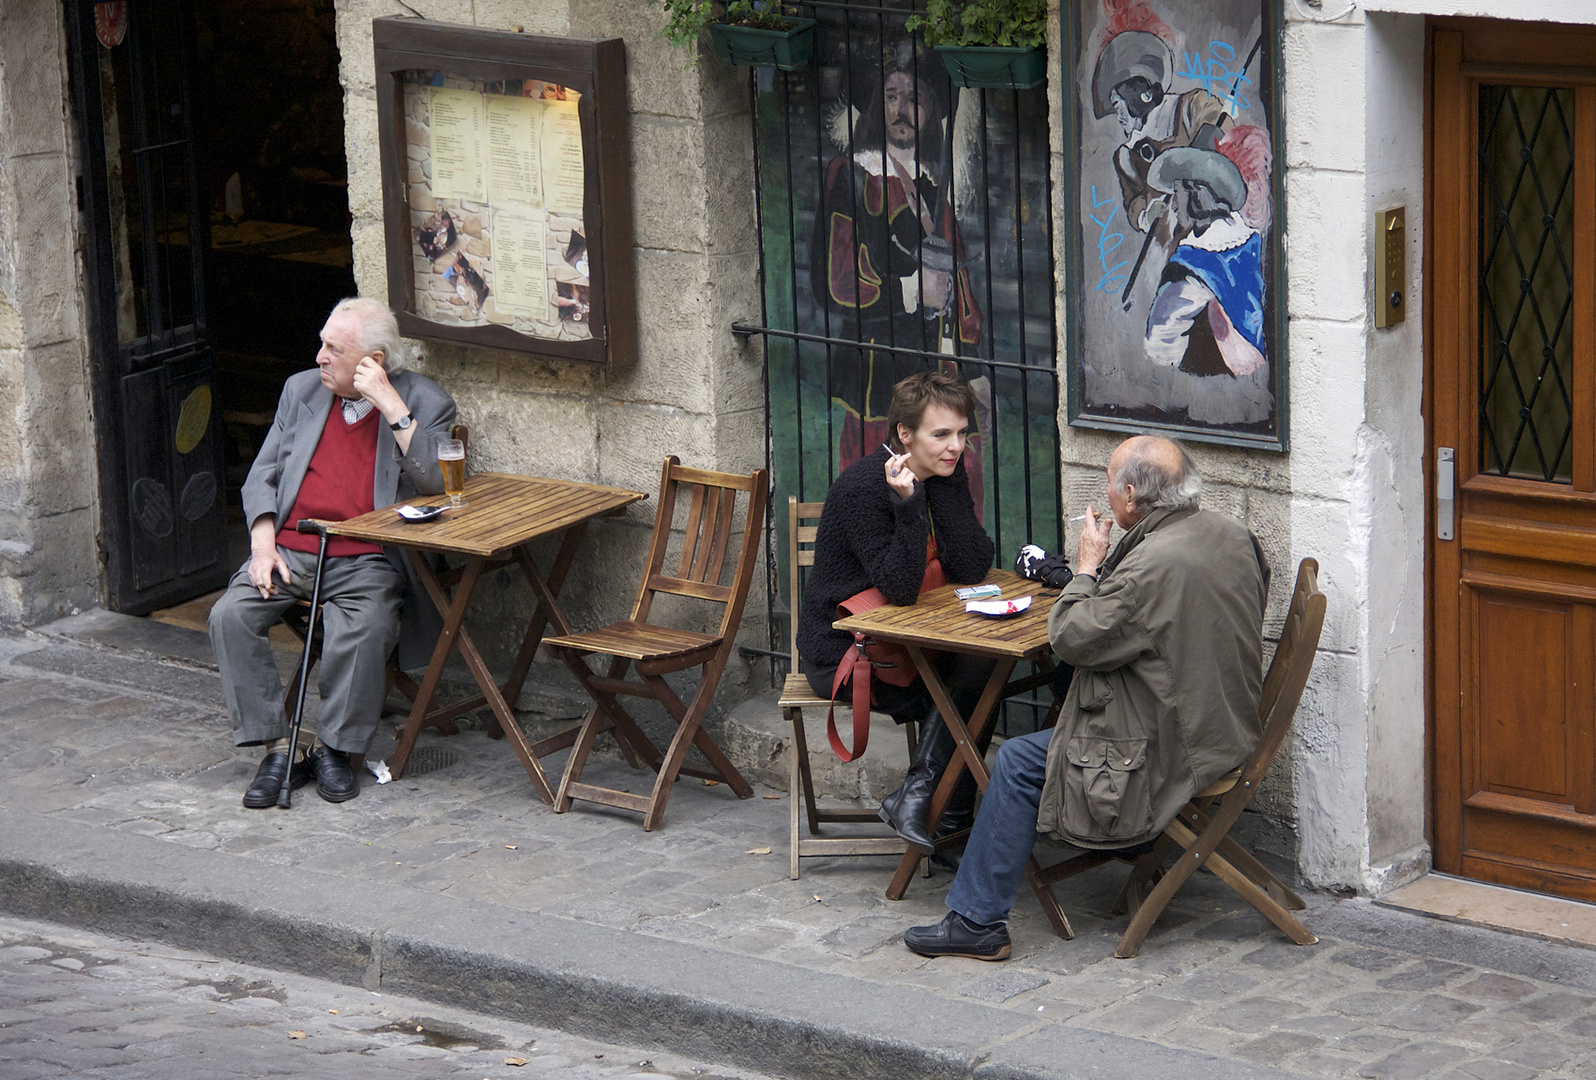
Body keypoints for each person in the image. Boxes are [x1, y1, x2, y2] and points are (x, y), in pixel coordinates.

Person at [902, 435, 1269, 960]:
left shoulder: (1151, 567)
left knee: (1018, 761)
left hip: (1175, 746)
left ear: (1132, 499)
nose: (1106, 492)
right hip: (1225, 725)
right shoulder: (1230, 533)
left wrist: (1087, 568)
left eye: (1110, 482)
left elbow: (1072, 636)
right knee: (1067, 692)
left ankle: (977, 921)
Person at [209, 298, 457, 808]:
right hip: (291, 550)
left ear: (375, 361)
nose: (319, 356)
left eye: (333, 349)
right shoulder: (300, 391)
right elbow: (264, 475)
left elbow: (436, 480)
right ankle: (279, 746)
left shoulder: (424, 400)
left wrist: (389, 404)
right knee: (229, 616)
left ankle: (335, 749)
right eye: (322, 343)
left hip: (367, 556)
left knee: (362, 628)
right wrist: (261, 545)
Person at [797, 371, 995, 853]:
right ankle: (942, 824)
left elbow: (971, 563)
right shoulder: (863, 488)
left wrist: (938, 493)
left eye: (962, 433)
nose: (956, 447)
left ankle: (926, 809)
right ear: (905, 434)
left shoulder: (943, 474)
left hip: (906, 644)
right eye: (941, 434)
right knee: (967, 694)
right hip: (847, 654)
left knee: (984, 673)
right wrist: (910, 505)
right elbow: (901, 588)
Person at [809, 53, 983, 473]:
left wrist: (977, 372)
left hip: (938, 377)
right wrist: (910, 291)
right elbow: (835, 283)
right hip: (877, 378)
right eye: (891, 96)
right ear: (877, 104)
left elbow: (959, 285)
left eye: (914, 98)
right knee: (877, 496)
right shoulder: (850, 176)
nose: (902, 109)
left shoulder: (935, 184)